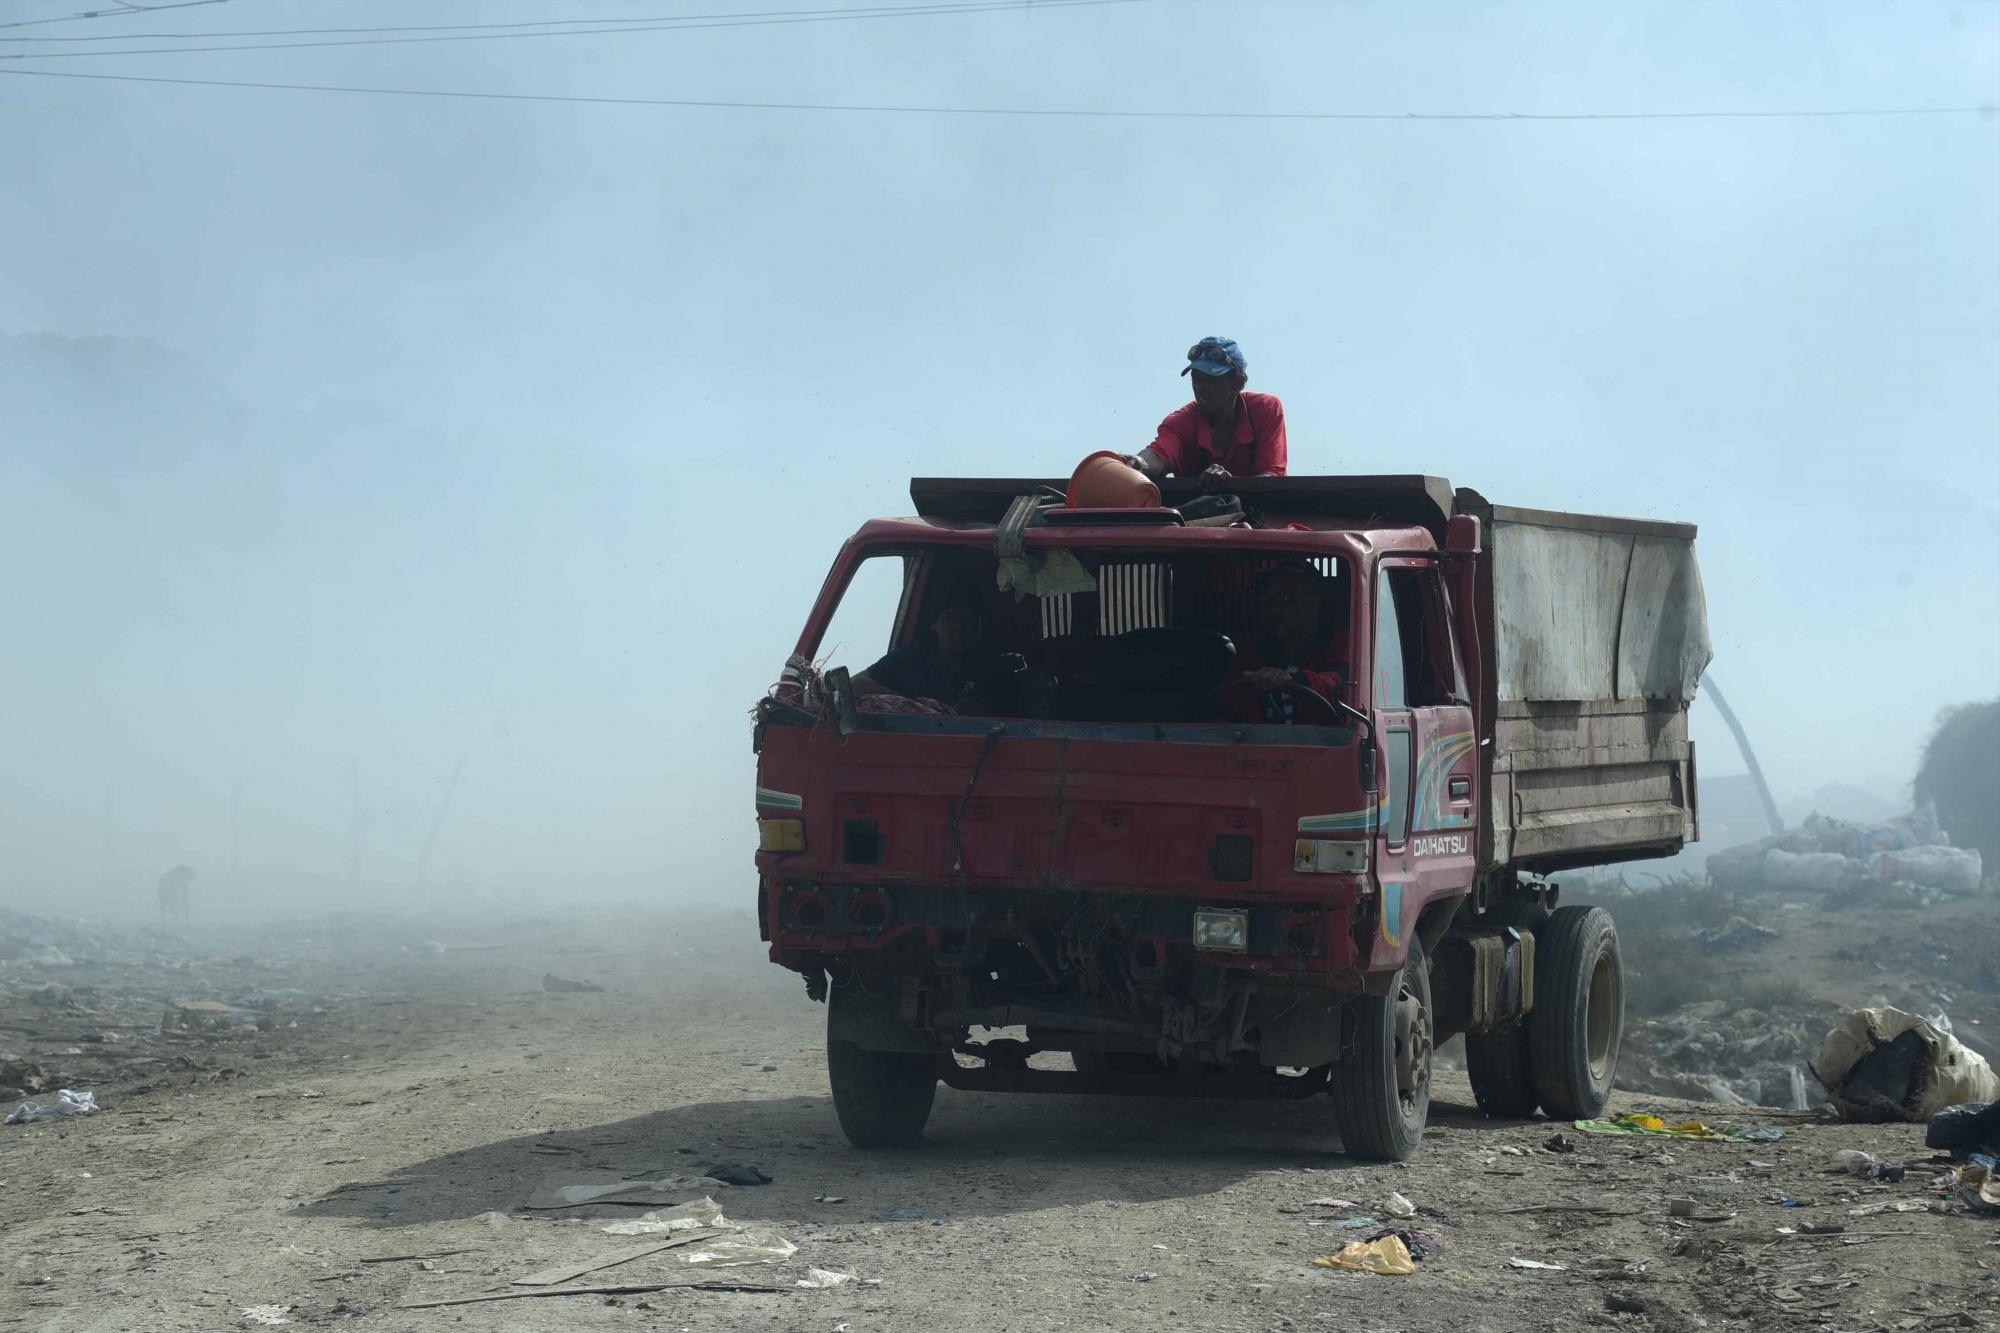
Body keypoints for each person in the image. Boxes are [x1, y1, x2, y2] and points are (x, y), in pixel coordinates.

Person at [1128, 337, 1288, 485]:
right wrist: (1136, 463)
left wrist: (1231, 486)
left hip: (1261, 512)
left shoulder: (1265, 409)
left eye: (1212, 380)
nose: (1200, 388)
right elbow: (1158, 454)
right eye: (1196, 378)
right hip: (1197, 515)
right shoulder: (1180, 423)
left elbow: (1270, 478)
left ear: (1238, 383)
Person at [1222, 560, 1346, 724]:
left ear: (1316, 602)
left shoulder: (1341, 645)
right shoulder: (1252, 656)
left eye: (1285, 598)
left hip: (1323, 747)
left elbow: (1342, 688)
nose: (1271, 610)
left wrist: (1295, 681)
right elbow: (1224, 710)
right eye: (1266, 599)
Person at [853, 604, 1021, 712]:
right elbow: (855, 684)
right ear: (934, 624)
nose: (959, 628)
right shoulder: (913, 655)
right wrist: (906, 704)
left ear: (980, 626)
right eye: (950, 619)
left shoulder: (996, 666)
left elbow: (955, 722)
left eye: (968, 620)